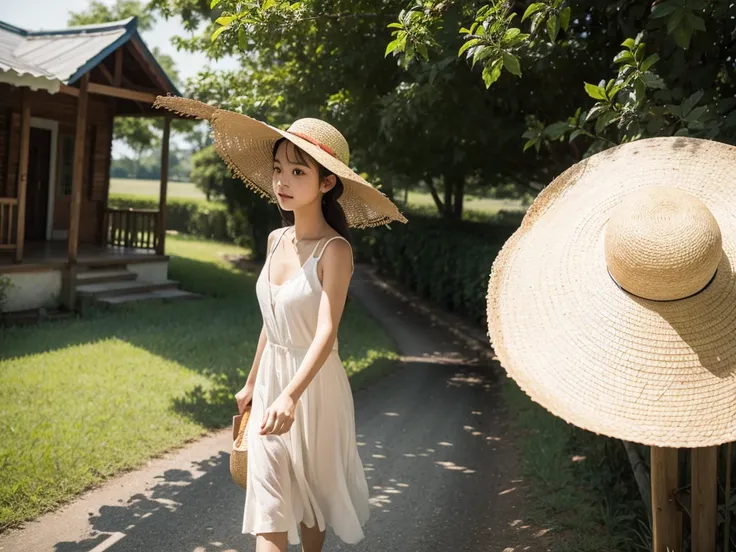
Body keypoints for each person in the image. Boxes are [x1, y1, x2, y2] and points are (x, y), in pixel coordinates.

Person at [152, 95, 407, 552]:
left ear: (327, 183)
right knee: (269, 504)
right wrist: (253, 383)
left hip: (314, 388)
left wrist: (292, 396)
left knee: (311, 503)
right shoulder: (275, 239)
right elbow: (273, 321)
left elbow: (327, 333)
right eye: (278, 170)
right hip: (272, 384)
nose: (282, 182)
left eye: (298, 172)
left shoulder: (336, 252)